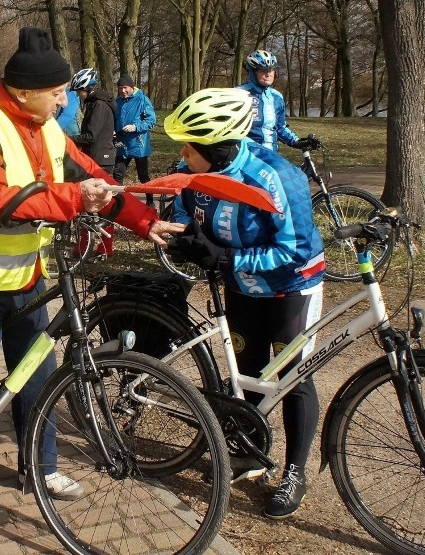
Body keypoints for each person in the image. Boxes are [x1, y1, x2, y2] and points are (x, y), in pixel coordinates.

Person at [0, 27, 180, 511]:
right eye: (57, 92)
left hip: (26, 272)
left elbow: (93, 178)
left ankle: (42, 468)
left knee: (39, 373)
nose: (66, 100)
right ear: (24, 91)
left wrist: (143, 220)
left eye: (66, 91)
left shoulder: (45, 126)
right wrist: (73, 199)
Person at [164, 87, 326, 519]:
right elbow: (182, 205)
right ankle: (252, 453)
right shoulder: (197, 171)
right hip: (240, 289)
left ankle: (295, 470)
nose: (182, 152)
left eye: (189, 145)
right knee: (248, 369)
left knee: (290, 377)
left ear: (216, 148)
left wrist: (226, 258)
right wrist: (186, 236)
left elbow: (295, 250)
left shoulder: (276, 177)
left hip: (289, 290)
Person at [238, 50, 321, 152]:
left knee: (290, 169)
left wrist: (297, 141)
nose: (268, 74)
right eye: (262, 71)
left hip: (271, 154)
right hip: (247, 155)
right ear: (252, 73)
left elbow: (280, 128)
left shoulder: (276, 96)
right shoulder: (239, 94)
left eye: (271, 70)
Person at [113, 73, 157, 206]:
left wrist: (135, 127)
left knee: (143, 176)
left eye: (125, 87)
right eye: (120, 88)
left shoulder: (142, 100)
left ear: (132, 87)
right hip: (122, 144)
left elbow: (151, 120)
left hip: (138, 145)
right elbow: (114, 119)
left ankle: (150, 201)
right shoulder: (118, 102)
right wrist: (113, 130)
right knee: (118, 174)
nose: (123, 91)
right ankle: (119, 202)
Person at [69, 68, 116, 173]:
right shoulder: (93, 103)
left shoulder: (99, 105)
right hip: (93, 156)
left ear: (87, 89)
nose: (77, 95)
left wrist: (68, 139)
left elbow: (91, 136)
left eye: (79, 91)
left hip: (100, 159)